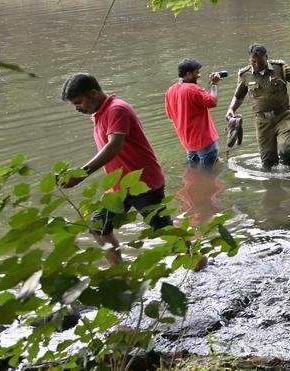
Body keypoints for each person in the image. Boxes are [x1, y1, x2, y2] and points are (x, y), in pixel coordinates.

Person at [59, 73, 170, 267]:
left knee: (165, 232)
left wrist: (81, 174)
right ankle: (119, 273)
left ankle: (199, 262)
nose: (77, 108)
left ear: (93, 94)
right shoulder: (101, 112)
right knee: (97, 226)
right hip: (120, 187)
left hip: (143, 183)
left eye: (79, 102)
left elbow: (114, 145)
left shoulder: (117, 109)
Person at [165, 58, 223, 168]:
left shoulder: (170, 91)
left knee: (196, 172)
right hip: (205, 141)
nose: (199, 75)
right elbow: (213, 102)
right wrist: (214, 84)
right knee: (210, 175)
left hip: (188, 144)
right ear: (188, 74)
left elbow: (170, 115)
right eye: (197, 72)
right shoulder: (193, 89)